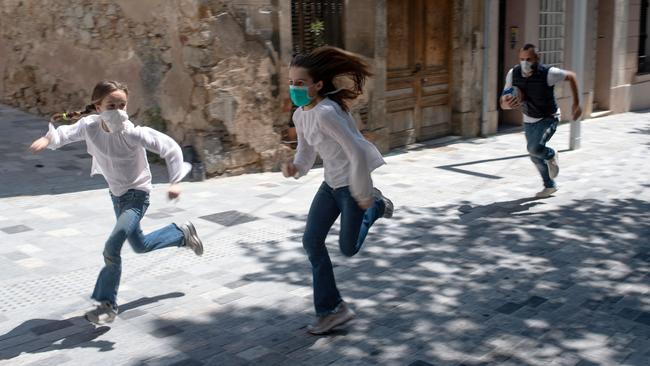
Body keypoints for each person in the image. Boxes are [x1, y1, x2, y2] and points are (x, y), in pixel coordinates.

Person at [30, 80, 204, 324]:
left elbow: (170, 148)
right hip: (117, 195)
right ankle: (182, 234)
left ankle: (106, 305)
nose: (118, 110)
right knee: (140, 245)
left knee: (112, 247)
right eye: (111, 105)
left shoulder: (132, 132)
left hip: (137, 195)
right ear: (98, 106)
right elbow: (65, 133)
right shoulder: (90, 126)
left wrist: (175, 181)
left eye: (122, 105)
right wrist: (48, 140)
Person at [281, 47, 394, 335]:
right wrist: (296, 167)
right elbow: (306, 152)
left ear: (317, 85)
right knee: (312, 242)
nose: (294, 88)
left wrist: (363, 193)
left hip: (352, 186)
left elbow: (356, 151)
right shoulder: (301, 115)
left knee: (348, 248)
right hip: (330, 185)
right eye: (291, 82)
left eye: (300, 83)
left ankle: (377, 207)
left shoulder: (327, 112)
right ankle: (332, 310)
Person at [500, 43, 582, 198]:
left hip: (548, 117)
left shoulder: (549, 73)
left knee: (535, 148)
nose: (524, 62)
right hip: (529, 119)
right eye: (521, 59)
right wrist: (506, 103)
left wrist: (576, 103)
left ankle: (551, 154)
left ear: (537, 59)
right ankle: (550, 186)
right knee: (534, 155)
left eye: (528, 59)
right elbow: (502, 101)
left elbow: (572, 76)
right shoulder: (513, 74)